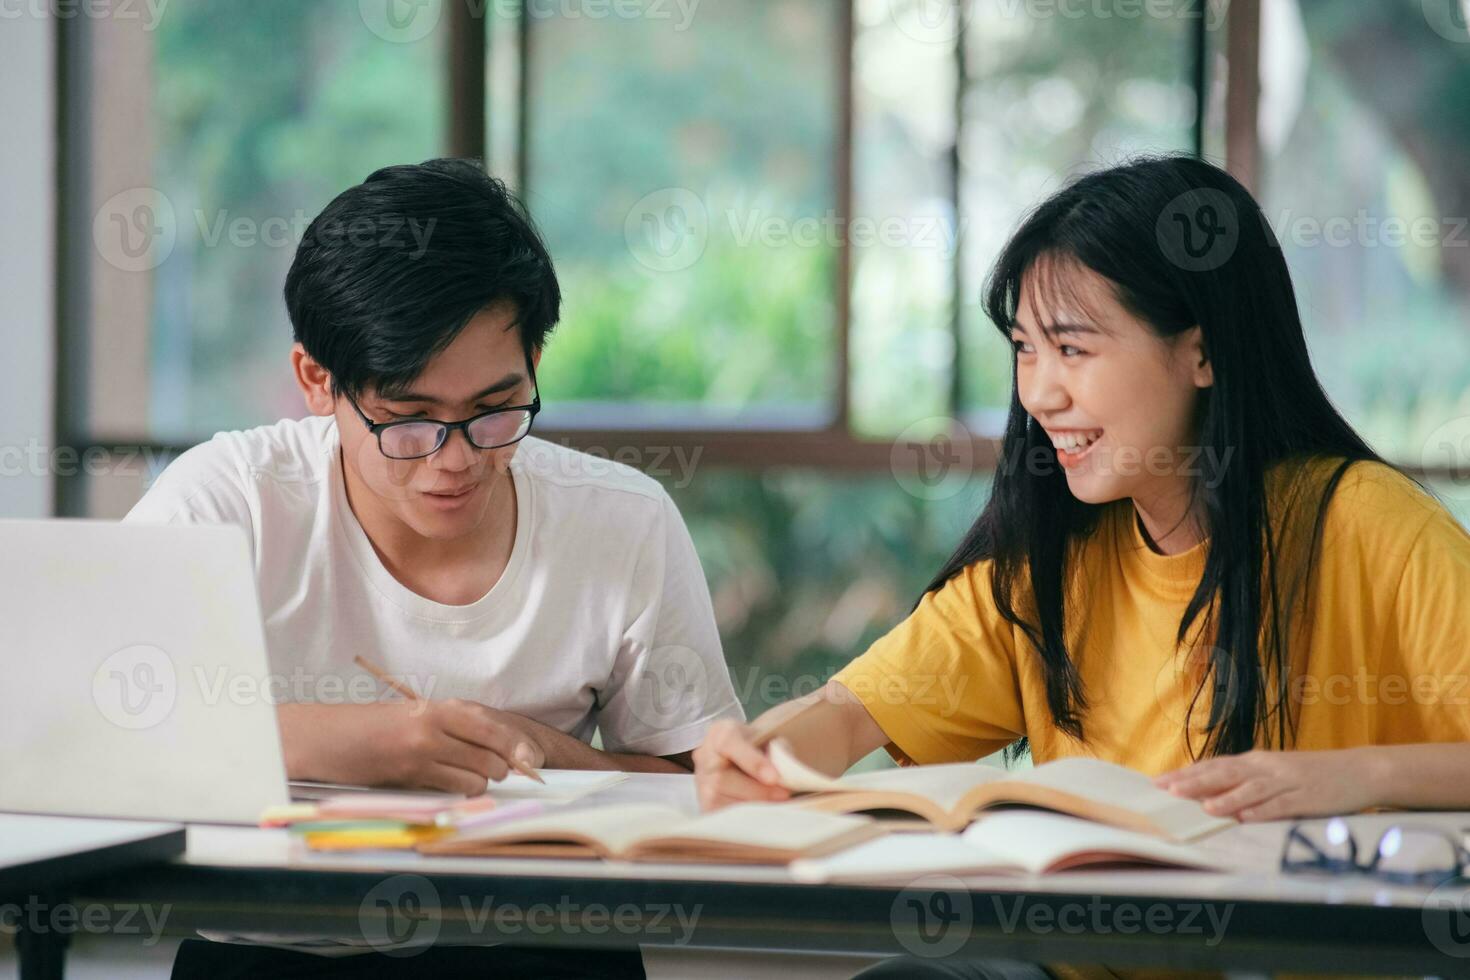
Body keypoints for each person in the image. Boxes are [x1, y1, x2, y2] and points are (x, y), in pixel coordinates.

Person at [691, 155, 1470, 980]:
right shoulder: (1051, 559)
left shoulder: (1366, 522)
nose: (1040, 393)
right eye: (1027, 350)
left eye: (1073, 347)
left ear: (1200, 352)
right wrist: (754, 752)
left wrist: (1353, 777)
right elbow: (848, 715)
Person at [128, 159, 743, 978]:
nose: (454, 461)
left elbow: (694, 785)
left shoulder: (620, 520)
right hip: (275, 950)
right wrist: (356, 742)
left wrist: (541, 754)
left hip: (546, 952)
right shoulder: (227, 501)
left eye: (495, 411)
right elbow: (92, 727)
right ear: (317, 380)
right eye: (410, 420)